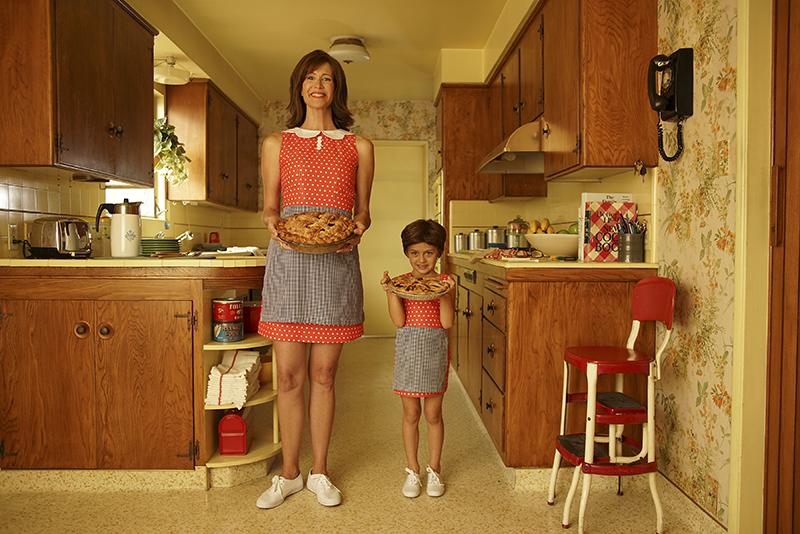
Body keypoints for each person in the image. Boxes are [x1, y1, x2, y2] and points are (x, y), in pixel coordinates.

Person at [256, 49, 374, 509]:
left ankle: (320, 471)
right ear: (299, 86)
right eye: (310, 77)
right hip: (288, 265)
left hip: (336, 265)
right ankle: (288, 475)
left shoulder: (358, 146)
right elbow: (270, 206)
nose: (318, 85)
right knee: (288, 376)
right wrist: (276, 225)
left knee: (324, 375)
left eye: (327, 78)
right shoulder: (276, 143)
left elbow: (362, 213)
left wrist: (358, 227)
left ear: (336, 89)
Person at [380, 219, 456, 498]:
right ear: (406, 253)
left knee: (433, 414)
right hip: (409, 350)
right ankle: (413, 470)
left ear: (439, 253)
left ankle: (434, 468)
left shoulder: (445, 283)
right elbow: (399, 321)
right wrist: (390, 292)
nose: (421, 259)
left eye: (429, 252)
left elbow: (447, 323)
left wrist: (446, 293)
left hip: (435, 350)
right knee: (411, 413)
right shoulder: (401, 283)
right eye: (414, 252)